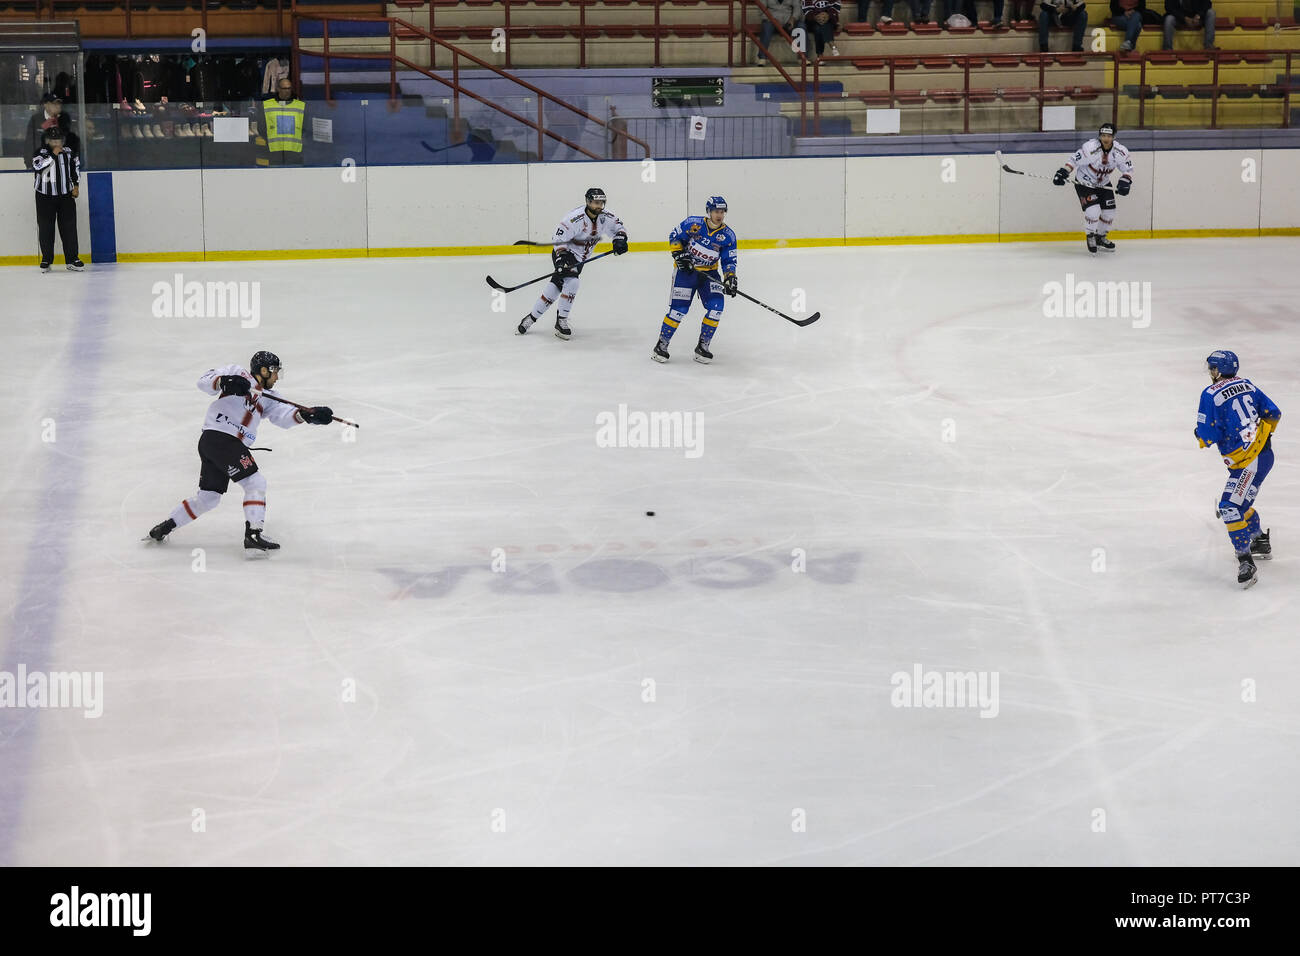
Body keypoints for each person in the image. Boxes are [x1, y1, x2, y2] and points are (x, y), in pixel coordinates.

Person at [145, 351, 334, 553]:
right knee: (255, 482)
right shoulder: (237, 372)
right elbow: (203, 382)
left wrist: (307, 415)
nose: (277, 377)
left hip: (216, 443)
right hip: (222, 438)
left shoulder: (271, 397)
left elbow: (284, 417)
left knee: (209, 498)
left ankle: (165, 527)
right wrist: (224, 381)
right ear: (264, 370)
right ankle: (253, 534)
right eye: (275, 372)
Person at [1195, 350, 1281, 588]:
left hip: (1247, 463)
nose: (1211, 372)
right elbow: (1273, 413)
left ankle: (1246, 561)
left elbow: (1208, 434)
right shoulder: (1248, 385)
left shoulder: (1210, 394)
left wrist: (1200, 436)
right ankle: (1259, 540)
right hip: (1263, 456)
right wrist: (1259, 438)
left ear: (1219, 371)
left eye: (1213, 368)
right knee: (1239, 503)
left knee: (1229, 507)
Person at [516, 187, 629, 340]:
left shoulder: (605, 217)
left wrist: (620, 240)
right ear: (588, 202)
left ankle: (530, 318)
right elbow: (558, 239)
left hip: (581, 259)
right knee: (573, 283)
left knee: (556, 286)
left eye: (601, 203)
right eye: (595, 202)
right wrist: (561, 259)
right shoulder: (574, 218)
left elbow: (618, 228)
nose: (599, 206)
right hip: (564, 254)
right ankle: (561, 320)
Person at [652, 196, 739, 365]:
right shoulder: (694, 223)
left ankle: (703, 347)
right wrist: (679, 254)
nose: (719, 215)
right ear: (709, 212)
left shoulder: (728, 236)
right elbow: (675, 236)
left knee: (716, 308)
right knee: (679, 310)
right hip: (686, 272)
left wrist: (730, 277)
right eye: (715, 211)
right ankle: (661, 345)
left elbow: (729, 260)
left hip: (710, 275)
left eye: (722, 212)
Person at [1052, 122, 1134, 253]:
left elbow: (1128, 169)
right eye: (1103, 135)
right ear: (1099, 136)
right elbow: (1073, 160)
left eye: (1109, 135)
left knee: (1109, 212)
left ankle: (1100, 237)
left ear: (1114, 137)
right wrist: (1063, 172)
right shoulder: (1090, 148)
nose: (1106, 139)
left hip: (1103, 184)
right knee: (1094, 211)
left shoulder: (1121, 152)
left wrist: (1125, 181)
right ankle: (1090, 235)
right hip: (1085, 183)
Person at [32, 126, 83, 273]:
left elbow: (76, 167)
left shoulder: (69, 152)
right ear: (48, 140)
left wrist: (76, 185)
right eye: (53, 140)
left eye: (59, 139)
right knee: (46, 228)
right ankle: (46, 259)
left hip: (65, 195)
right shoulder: (40, 152)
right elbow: (37, 166)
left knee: (69, 228)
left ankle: (72, 259)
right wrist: (53, 155)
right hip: (44, 196)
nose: (56, 142)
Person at [24, 92, 80, 167]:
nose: (58, 106)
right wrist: (29, 163)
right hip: (42, 160)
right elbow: (29, 143)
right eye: (54, 104)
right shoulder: (36, 119)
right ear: (46, 105)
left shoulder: (65, 118)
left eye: (59, 103)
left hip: (62, 162)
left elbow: (70, 139)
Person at [261, 77, 306, 165]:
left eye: (289, 88)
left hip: (295, 151)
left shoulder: (300, 106)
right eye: (284, 88)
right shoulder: (267, 105)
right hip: (274, 151)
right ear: (278, 89)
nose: (287, 91)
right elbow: (262, 127)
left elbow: (305, 127)